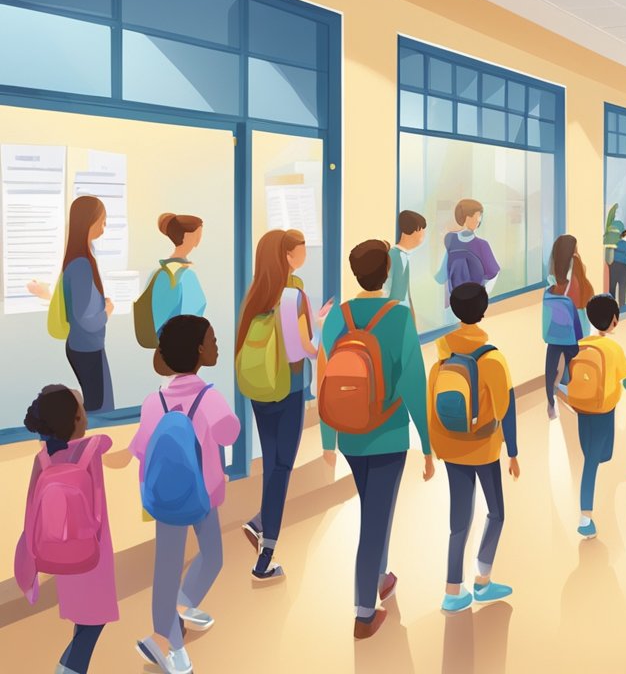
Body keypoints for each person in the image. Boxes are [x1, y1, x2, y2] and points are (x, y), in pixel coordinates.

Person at [319, 239, 432, 638]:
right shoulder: (399, 317)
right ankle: (364, 612)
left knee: (374, 508)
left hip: (350, 434)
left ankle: (380, 576)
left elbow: (325, 378)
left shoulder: (338, 317)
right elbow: (414, 384)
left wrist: (328, 440)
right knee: (374, 519)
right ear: (387, 272)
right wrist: (429, 446)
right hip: (387, 434)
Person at [128, 316, 239, 673]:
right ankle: (172, 639)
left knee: (166, 567)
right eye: (213, 339)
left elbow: (141, 449)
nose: (217, 345)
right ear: (199, 352)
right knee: (213, 556)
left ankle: (169, 621)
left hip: (165, 497)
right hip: (202, 495)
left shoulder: (152, 400)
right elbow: (230, 434)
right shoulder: (209, 397)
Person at [237, 229, 332, 581]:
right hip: (288, 388)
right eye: (302, 247)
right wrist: (319, 331)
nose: (306, 251)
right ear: (288, 255)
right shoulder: (292, 295)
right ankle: (265, 555)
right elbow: (300, 350)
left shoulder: (257, 293)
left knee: (274, 464)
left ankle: (261, 521)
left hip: (259, 388)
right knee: (281, 468)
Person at [16, 385, 120, 674]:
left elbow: (30, 511)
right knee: (95, 619)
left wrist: (31, 559)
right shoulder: (91, 448)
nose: (86, 416)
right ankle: (68, 668)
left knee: (82, 619)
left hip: (60, 553)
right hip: (94, 551)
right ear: (74, 419)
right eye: (82, 410)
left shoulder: (42, 459)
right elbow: (108, 443)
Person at [432, 282, 519, 613]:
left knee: (459, 518)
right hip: (483, 447)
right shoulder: (492, 358)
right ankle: (482, 581)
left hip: (451, 445)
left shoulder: (443, 349)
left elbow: (432, 396)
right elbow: (505, 408)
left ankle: (452, 590)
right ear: (483, 310)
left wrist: (433, 446)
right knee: (496, 512)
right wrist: (513, 452)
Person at [571, 294, 626, 538]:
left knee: (597, 455)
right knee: (592, 462)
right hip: (603, 411)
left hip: (582, 408)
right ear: (615, 321)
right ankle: (585, 517)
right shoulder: (613, 348)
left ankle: (588, 502)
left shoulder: (581, 344)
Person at [57, 196, 115, 413]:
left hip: (85, 345)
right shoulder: (81, 264)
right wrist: (107, 311)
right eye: (102, 220)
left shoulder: (81, 258)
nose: (104, 226)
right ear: (89, 221)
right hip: (87, 347)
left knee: (98, 403)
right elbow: (85, 319)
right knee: (101, 408)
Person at [543, 235, 595, 420]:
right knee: (572, 362)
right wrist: (581, 267)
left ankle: (551, 398)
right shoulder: (576, 271)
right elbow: (586, 294)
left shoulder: (552, 277)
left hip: (556, 327)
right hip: (576, 326)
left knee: (555, 361)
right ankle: (570, 395)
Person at [149, 214, 207, 334]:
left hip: (162, 342)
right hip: (182, 343)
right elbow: (192, 317)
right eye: (197, 235)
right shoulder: (187, 276)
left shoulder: (158, 272)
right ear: (186, 236)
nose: (198, 241)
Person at [437, 198, 501, 308]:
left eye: (480, 217)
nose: (479, 220)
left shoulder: (451, 239)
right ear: (467, 217)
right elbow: (493, 273)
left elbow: (443, 274)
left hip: (460, 298)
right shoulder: (481, 245)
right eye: (477, 216)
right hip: (468, 299)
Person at [387, 209, 426, 309]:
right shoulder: (394, 255)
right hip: (395, 312)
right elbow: (388, 289)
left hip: (403, 312)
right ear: (415, 229)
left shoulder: (405, 255)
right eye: (422, 230)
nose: (423, 234)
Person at [608, 229, 626, 308]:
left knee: (615, 287)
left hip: (617, 266)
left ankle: (616, 306)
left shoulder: (620, 243)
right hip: (618, 266)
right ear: (623, 236)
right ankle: (621, 306)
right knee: (619, 287)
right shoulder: (624, 244)